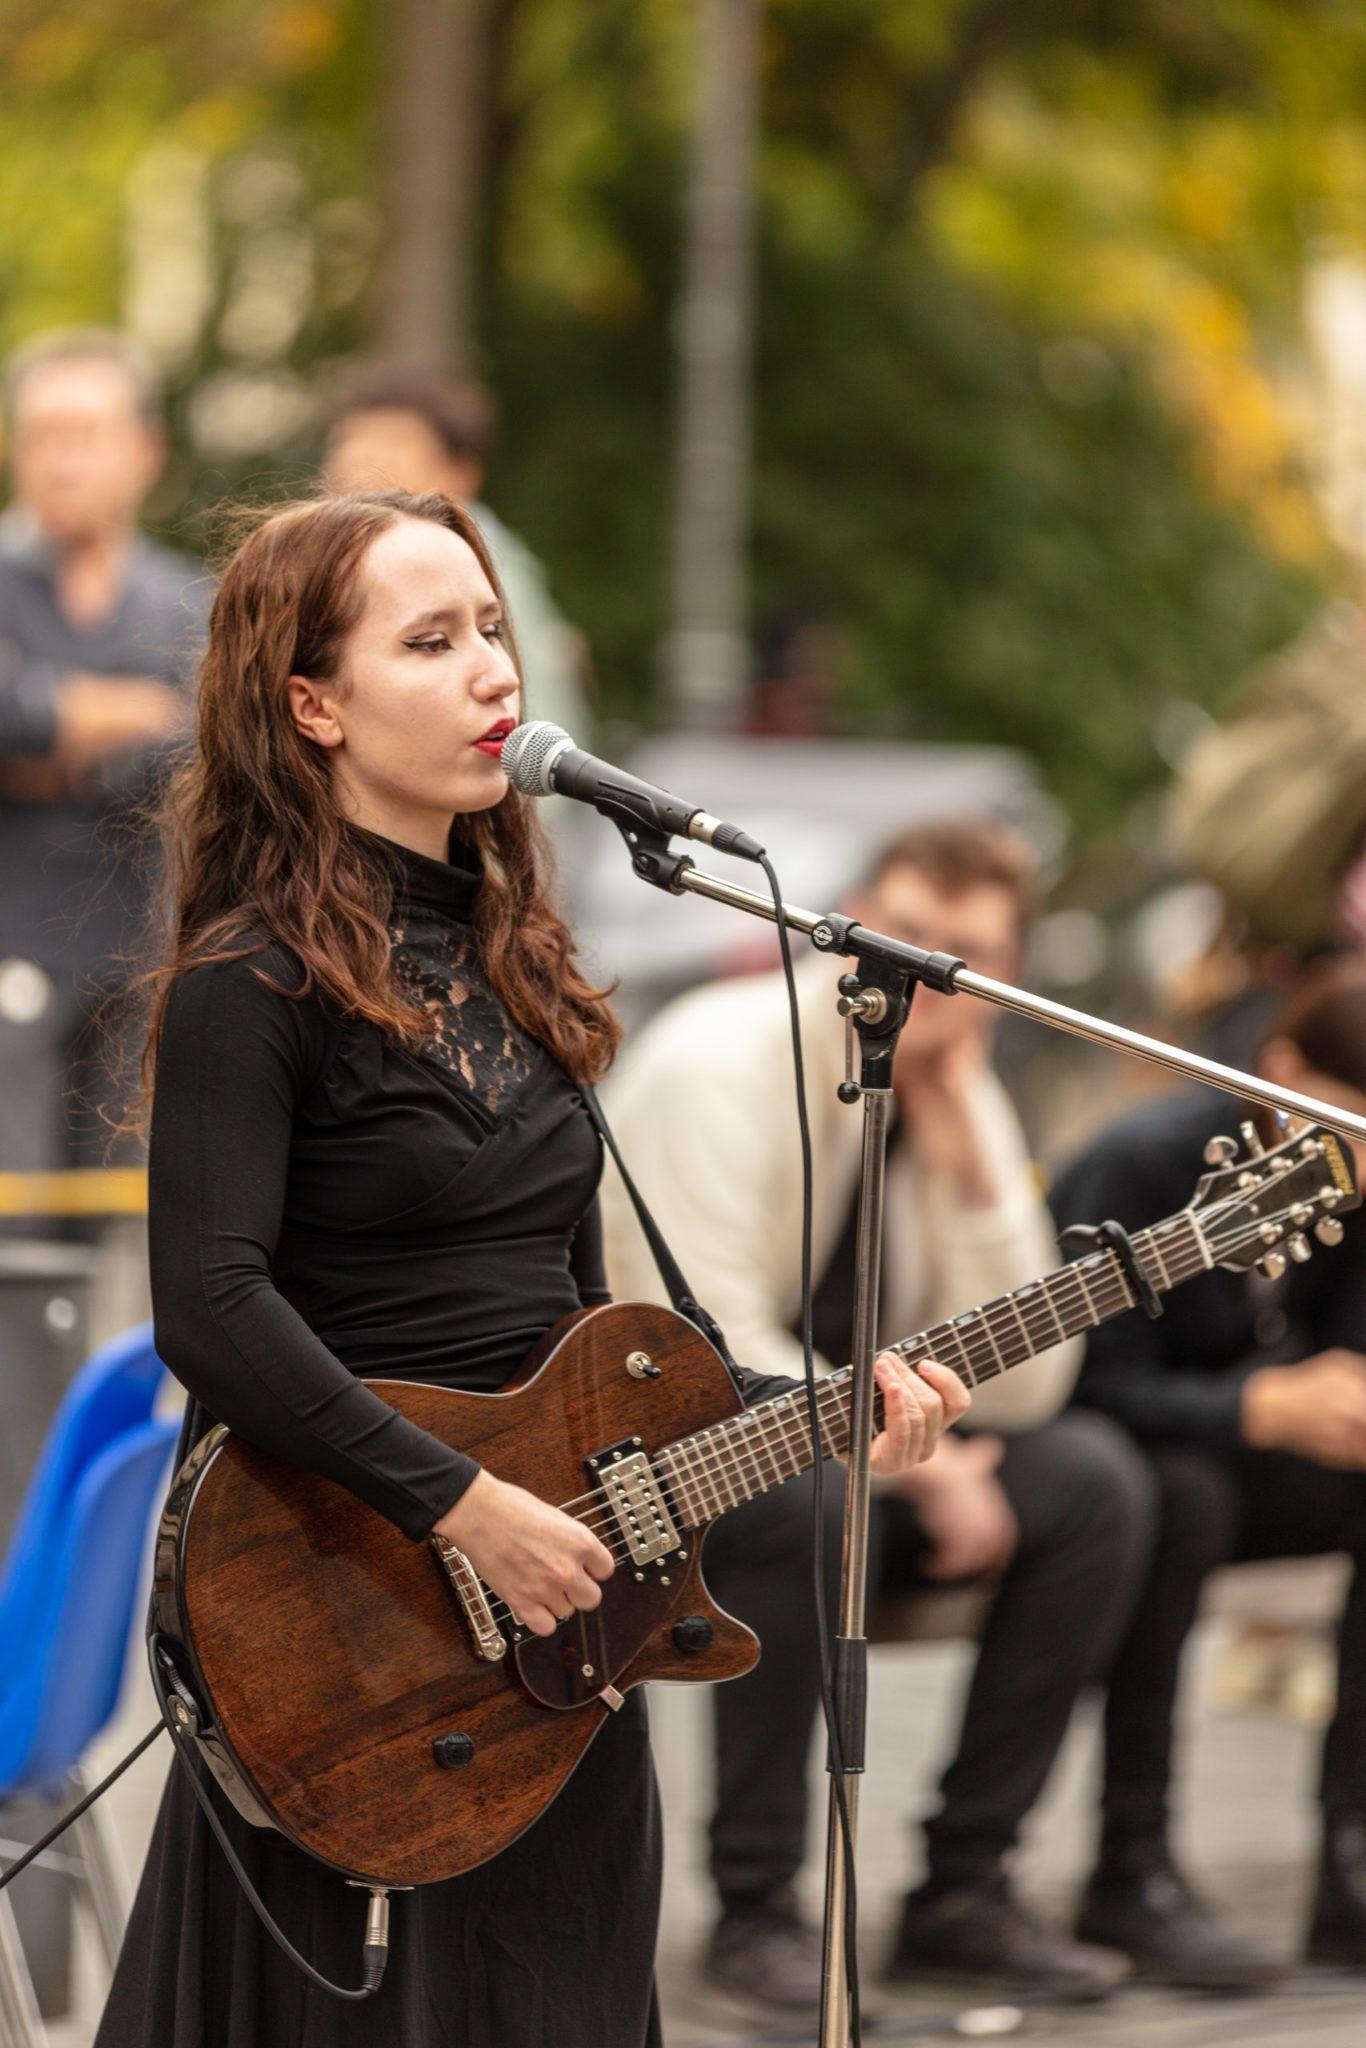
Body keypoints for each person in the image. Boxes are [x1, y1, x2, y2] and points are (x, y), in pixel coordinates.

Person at [93, 488, 965, 2048]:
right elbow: (211, 1315)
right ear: (313, 706)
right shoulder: (252, 979)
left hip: (556, 1623)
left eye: (490, 627)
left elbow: (585, 1335)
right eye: (431, 641)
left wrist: (830, 1400)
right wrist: (462, 1504)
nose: (495, 668)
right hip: (347, 1606)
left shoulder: (519, 961)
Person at [600, 819, 1155, 2011]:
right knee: (808, 1498)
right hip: (667, 1468)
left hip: (877, 1446)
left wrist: (968, 1168)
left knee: (1094, 1478)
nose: (929, 972)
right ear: (844, 921)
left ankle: (964, 1885)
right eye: (909, 937)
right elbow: (693, 1352)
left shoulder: (950, 1073)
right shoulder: (721, 1059)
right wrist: (912, 1465)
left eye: (965, 954)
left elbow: (1027, 1385)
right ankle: (757, 1906)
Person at [1052, 957, 1366, 1989]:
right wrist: (1254, 1405)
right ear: (1283, 1071)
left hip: (1256, 1467)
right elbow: (1070, 1384)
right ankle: (1129, 1860)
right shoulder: (1142, 1160)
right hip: (1129, 1465)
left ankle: (1349, 1857)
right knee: (1178, 1496)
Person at [0, 328, 206, 1186]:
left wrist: (50, 735)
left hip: (140, 957)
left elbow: (206, 745)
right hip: (11, 945)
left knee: (122, 1217)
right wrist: (130, 716)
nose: (61, 460)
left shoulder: (190, 602)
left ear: (144, 451)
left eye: (85, 434)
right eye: (41, 434)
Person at [323, 362, 590, 742]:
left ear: (461, 473)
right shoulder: (341, 559)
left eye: (392, 444)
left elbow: (537, 722)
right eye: (349, 441)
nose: (358, 461)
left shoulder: (478, 565)